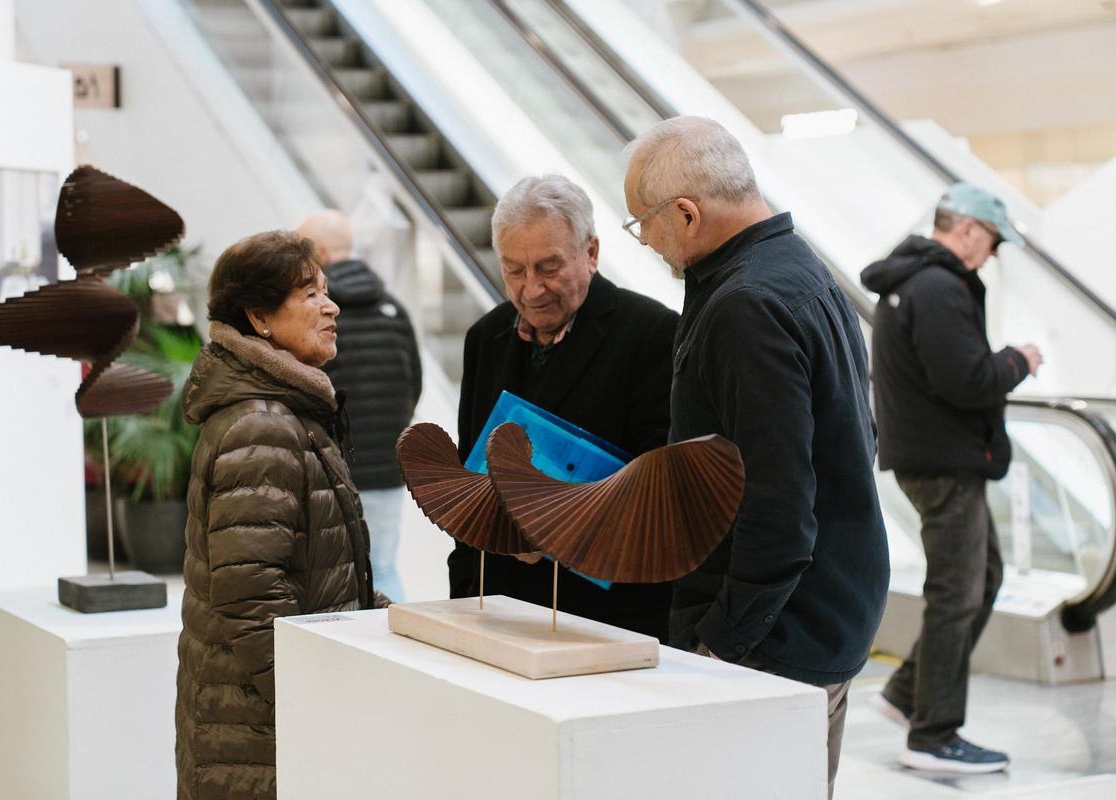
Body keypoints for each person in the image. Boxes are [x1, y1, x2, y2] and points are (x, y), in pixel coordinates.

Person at [623, 116, 889, 798]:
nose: (645, 241)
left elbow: (776, 504)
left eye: (641, 224)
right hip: (823, 616)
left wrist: (718, 646)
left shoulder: (746, 305)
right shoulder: (797, 268)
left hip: (777, 642)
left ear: (685, 213)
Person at [176, 231, 384, 799]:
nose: (331, 306)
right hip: (258, 731)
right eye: (310, 294)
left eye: (327, 291)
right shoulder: (264, 424)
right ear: (259, 317)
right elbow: (251, 597)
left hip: (256, 718)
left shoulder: (285, 410)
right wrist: (312, 700)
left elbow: (315, 565)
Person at [448, 174, 679, 641]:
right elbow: (468, 472)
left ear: (590, 253)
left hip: (605, 616)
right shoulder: (484, 338)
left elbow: (661, 486)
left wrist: (553, 530)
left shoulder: (651, 333)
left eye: (549, 267)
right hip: (500, 606)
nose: (532, 289)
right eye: (514, 270)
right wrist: (465, 595)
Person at [861, 183, 1042, 774]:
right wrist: (1019, 360)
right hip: (944, 459)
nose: (990, 255)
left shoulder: (911, 282)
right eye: (990, 241)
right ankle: (934, 734)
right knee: (958, 592)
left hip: (930, 454)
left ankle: (908, 693)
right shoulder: (937, 287)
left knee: (981, 576)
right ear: (965, 228)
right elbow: (965, 380)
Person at [298, 209, 422, 602]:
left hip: (335, 469)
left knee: (334, 576)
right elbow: (413, 382)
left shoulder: (316, 315)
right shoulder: (394, 308)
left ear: (318, 251)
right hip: (389, 467)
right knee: (384, 567)